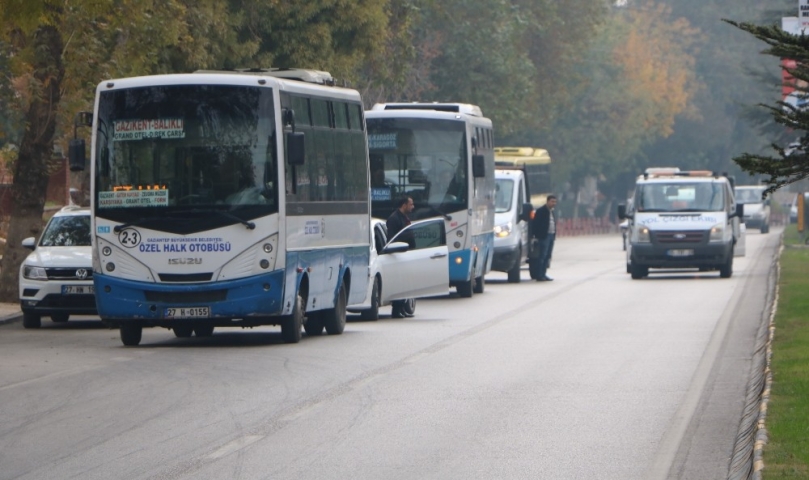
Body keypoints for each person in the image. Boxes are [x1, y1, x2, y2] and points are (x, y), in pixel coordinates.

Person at [386, 196, 415, 318]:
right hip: (398, 255)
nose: (413, 207)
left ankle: (402, 307)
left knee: (406, 283)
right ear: (404, 205)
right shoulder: (394, 219)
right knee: (399, 282)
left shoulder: (404, 218)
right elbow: (392, 239)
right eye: (411, 204)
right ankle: (396, 309)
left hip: (406, 254)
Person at [529, 194, 558, 281]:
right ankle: (539, 275)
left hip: (551, 236)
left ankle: (544, 274)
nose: (554, 203)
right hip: (544, 237)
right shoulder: (541, 211)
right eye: (552, 201)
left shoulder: (551, 211)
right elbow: (536, 224)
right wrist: (537, 235)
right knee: (542, 256)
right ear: (547, 201)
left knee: (547, 256)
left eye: (555, 202)